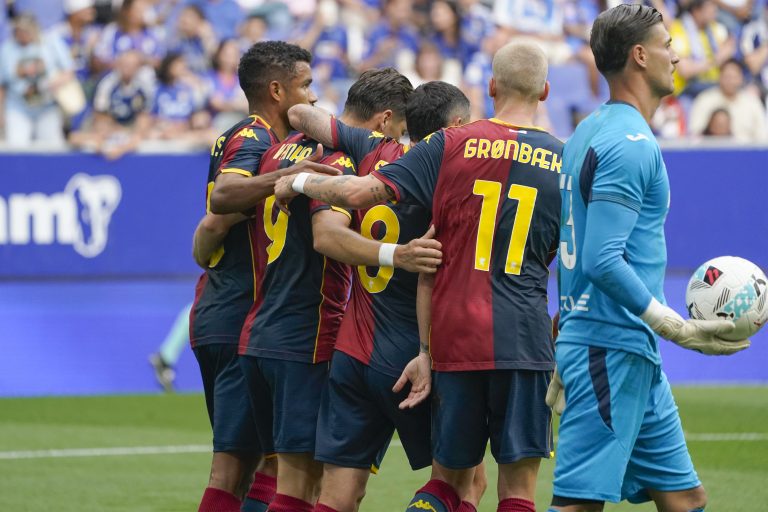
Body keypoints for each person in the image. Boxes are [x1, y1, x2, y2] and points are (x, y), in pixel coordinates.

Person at [275, 40, 562, 512]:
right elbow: (572, 260)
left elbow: (354, 190)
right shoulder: (564, 159)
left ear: (492, 86)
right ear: (546, 90)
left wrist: (299, 180)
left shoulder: (435, 148)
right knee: (504, 489)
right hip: (518, 339)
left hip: (429, 340)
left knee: (435, 483)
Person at [543, 5, 751, 512]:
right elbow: (601, 258)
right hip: (609, 347)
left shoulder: (588, 132)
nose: (676, 56)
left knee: (685, 498)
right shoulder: (630, 143)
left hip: (621, 347)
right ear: (639, 55)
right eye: (667, 45)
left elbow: (574, 241)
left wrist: (565, 328)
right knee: (578, 503)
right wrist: (672, 325)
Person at [210, 68, 419, 512]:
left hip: (259, 331)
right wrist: (396, 254)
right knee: (301, 488)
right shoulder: (338, 161)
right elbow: (327, 237)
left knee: (267, 476)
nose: (396, 144)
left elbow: (214, 224)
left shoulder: (279, 151)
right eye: (399, 131)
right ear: (384, 120)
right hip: (306, 336)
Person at [287, 80, 487, 512]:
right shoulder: (450, 177)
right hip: (412, 357)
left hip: (353, 353)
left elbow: (300, 115)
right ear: (455, 126)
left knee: (337, 495)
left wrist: (297, 179)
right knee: (467, 484)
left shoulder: (374, 148)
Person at [189, 40, 340, 512]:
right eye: (305, 85)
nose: (313, 96)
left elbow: (208, 234)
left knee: (267, 466)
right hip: (238, 314)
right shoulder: (255, 138)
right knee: (233, 471)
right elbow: (222, 200)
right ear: (277, 90)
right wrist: (287, 178)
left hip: (231, 312)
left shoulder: (257, 141)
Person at [0, 14, 75, 146]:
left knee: (52, 148)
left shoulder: (51, 42)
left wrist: (56, 83)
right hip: (18, 107)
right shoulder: (7, 49)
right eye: (19, 31)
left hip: (47, 107)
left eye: (25, 31)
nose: (22, 35)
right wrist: (1, 113)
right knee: (16, 147)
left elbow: (69, 70)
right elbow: (2, 85)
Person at [688, 58, 768, 141]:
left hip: (747, 148)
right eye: (727, 77)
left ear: (741, 78)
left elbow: (761, 136)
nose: (731, 81)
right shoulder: (704, 100)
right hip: (714, 147)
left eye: (734, 77)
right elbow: (695, 135)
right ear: (719, 77)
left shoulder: (752, 102)